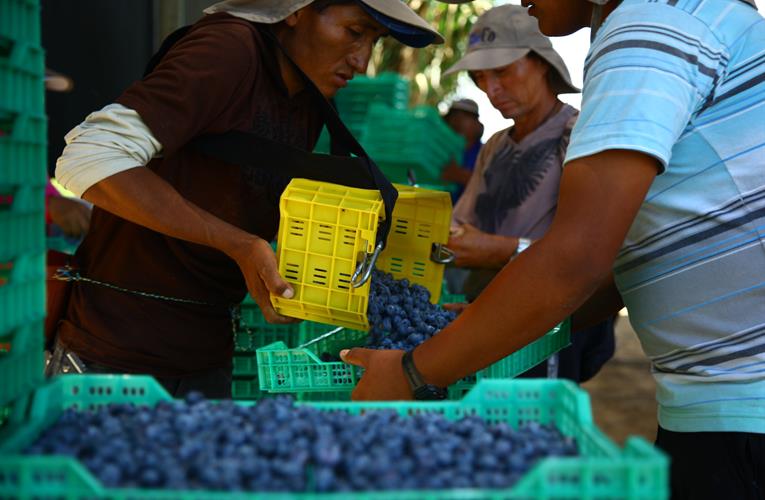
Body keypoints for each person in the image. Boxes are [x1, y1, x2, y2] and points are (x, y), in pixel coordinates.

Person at [342, 0, 765, 498]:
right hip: (716, 405)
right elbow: (618, 262)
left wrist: (414, 370)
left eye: (502, 71)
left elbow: (576, 258)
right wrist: (478, 319)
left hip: (741, 408)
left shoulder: (651, 22)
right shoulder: (675, 20)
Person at [48, 0, 443, 398]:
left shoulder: (307, 92)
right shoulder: (229, 51)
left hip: (205, 360)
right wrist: (238, 244)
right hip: (113, 362)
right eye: (354, 32)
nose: (362, 61)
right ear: (296, 10)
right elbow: (89, 157)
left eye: (374, 41)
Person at [445, 5, 615, 382]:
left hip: (548, 326)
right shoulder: (494, 145)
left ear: (540, 63)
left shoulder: (577, 135)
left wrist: (500, 251)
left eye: (503, 72)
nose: (491, 90)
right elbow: (462, 223)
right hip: (489, 315)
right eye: (479, 77)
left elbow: (592, 254)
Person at [441, 98, 483, 202]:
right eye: (453, 117)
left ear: (476, 123)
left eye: (463, 117)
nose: (456, 122)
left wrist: (460, 175)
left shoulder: (487, 152)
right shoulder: (442, 149)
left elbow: (494, 187)